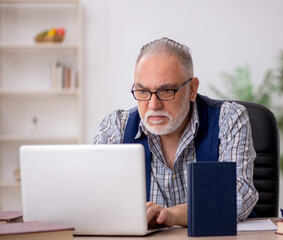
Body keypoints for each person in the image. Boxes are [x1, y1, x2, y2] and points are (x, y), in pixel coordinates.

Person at [93, 37, 258, 228]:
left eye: (166, 91)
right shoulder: (117, 127)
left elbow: (240, 195)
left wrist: (172, 215)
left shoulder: (228, 119)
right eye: (143, 91)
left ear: (192, 89)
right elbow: (94, 194)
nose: (153, 105)